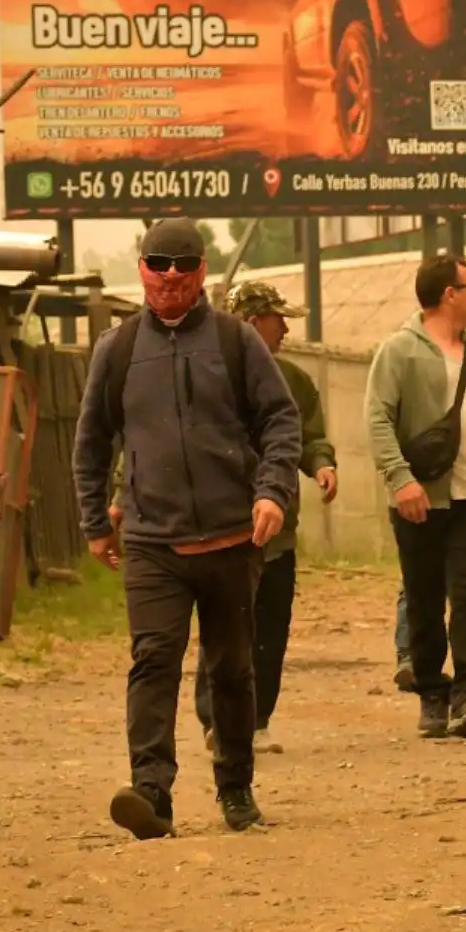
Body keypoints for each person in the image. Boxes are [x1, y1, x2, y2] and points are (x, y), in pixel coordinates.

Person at [74, 218, 302, 838]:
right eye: (158, 262)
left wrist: (272, 491)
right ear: (142, 269)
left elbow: (281, 421)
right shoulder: (117, 349)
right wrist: (96, 520)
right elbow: (91, 441)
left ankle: (236, 789)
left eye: (183, 263)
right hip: (152, 541)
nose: (170, 275)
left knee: (230, 668)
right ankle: (151, 794)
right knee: (153, 660)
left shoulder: (236, 342)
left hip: (233, 538)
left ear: (201, 271)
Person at [365, 254, 466, 739]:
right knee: (423, 598)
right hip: (420, 499)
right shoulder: (400, 351)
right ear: (448, 295)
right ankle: (433, 694)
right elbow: (377, 420)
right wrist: (401, 480)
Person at [186, 281, 339, 755]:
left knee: (271, 626)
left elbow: (307, 435)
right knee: (225, 625)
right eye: (278, 319)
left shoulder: (293, 380)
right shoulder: (206, 375)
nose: (287, 328)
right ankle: (216, 720)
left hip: (278, 531)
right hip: (224, 526)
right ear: (253, 324)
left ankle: (257, 720)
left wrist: (322, 464)